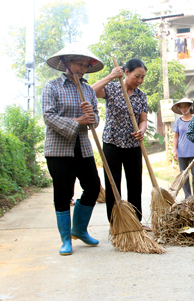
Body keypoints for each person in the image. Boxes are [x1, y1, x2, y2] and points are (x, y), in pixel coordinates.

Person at [43, 43, 104, 255]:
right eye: (79, 64)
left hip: (82, 146)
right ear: (66, 63)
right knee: (63, 192)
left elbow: (94, 120)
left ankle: (79, 229)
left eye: (86, 65)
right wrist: (78, 120)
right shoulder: (52, 87)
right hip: (58, 148)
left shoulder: (88, 89)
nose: (83, 69)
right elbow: (48, 117)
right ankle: (65, 239)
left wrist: (91, 117)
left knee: (93, 187)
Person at [92, 59, 150, 230]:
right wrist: (111, 76)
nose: (139, 81)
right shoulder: (111, 89)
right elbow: (91, 91)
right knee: (113, 184)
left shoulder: (141, 96)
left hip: (133, 145)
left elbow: (143, 119)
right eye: (137, 76)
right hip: (112, 144)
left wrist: (142, 130)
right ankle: (115, 222)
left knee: (135, 184)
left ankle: (135, 221)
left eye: (142, 78)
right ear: (126, 72)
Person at [172, 98, 194, 199]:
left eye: (185, 106)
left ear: (190, 107)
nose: (183, 109)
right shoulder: (178, 122)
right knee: (184, 176)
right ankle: (188, 196)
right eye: (181, 107)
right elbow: (175, 136)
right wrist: (174, 150)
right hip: (181, 152)